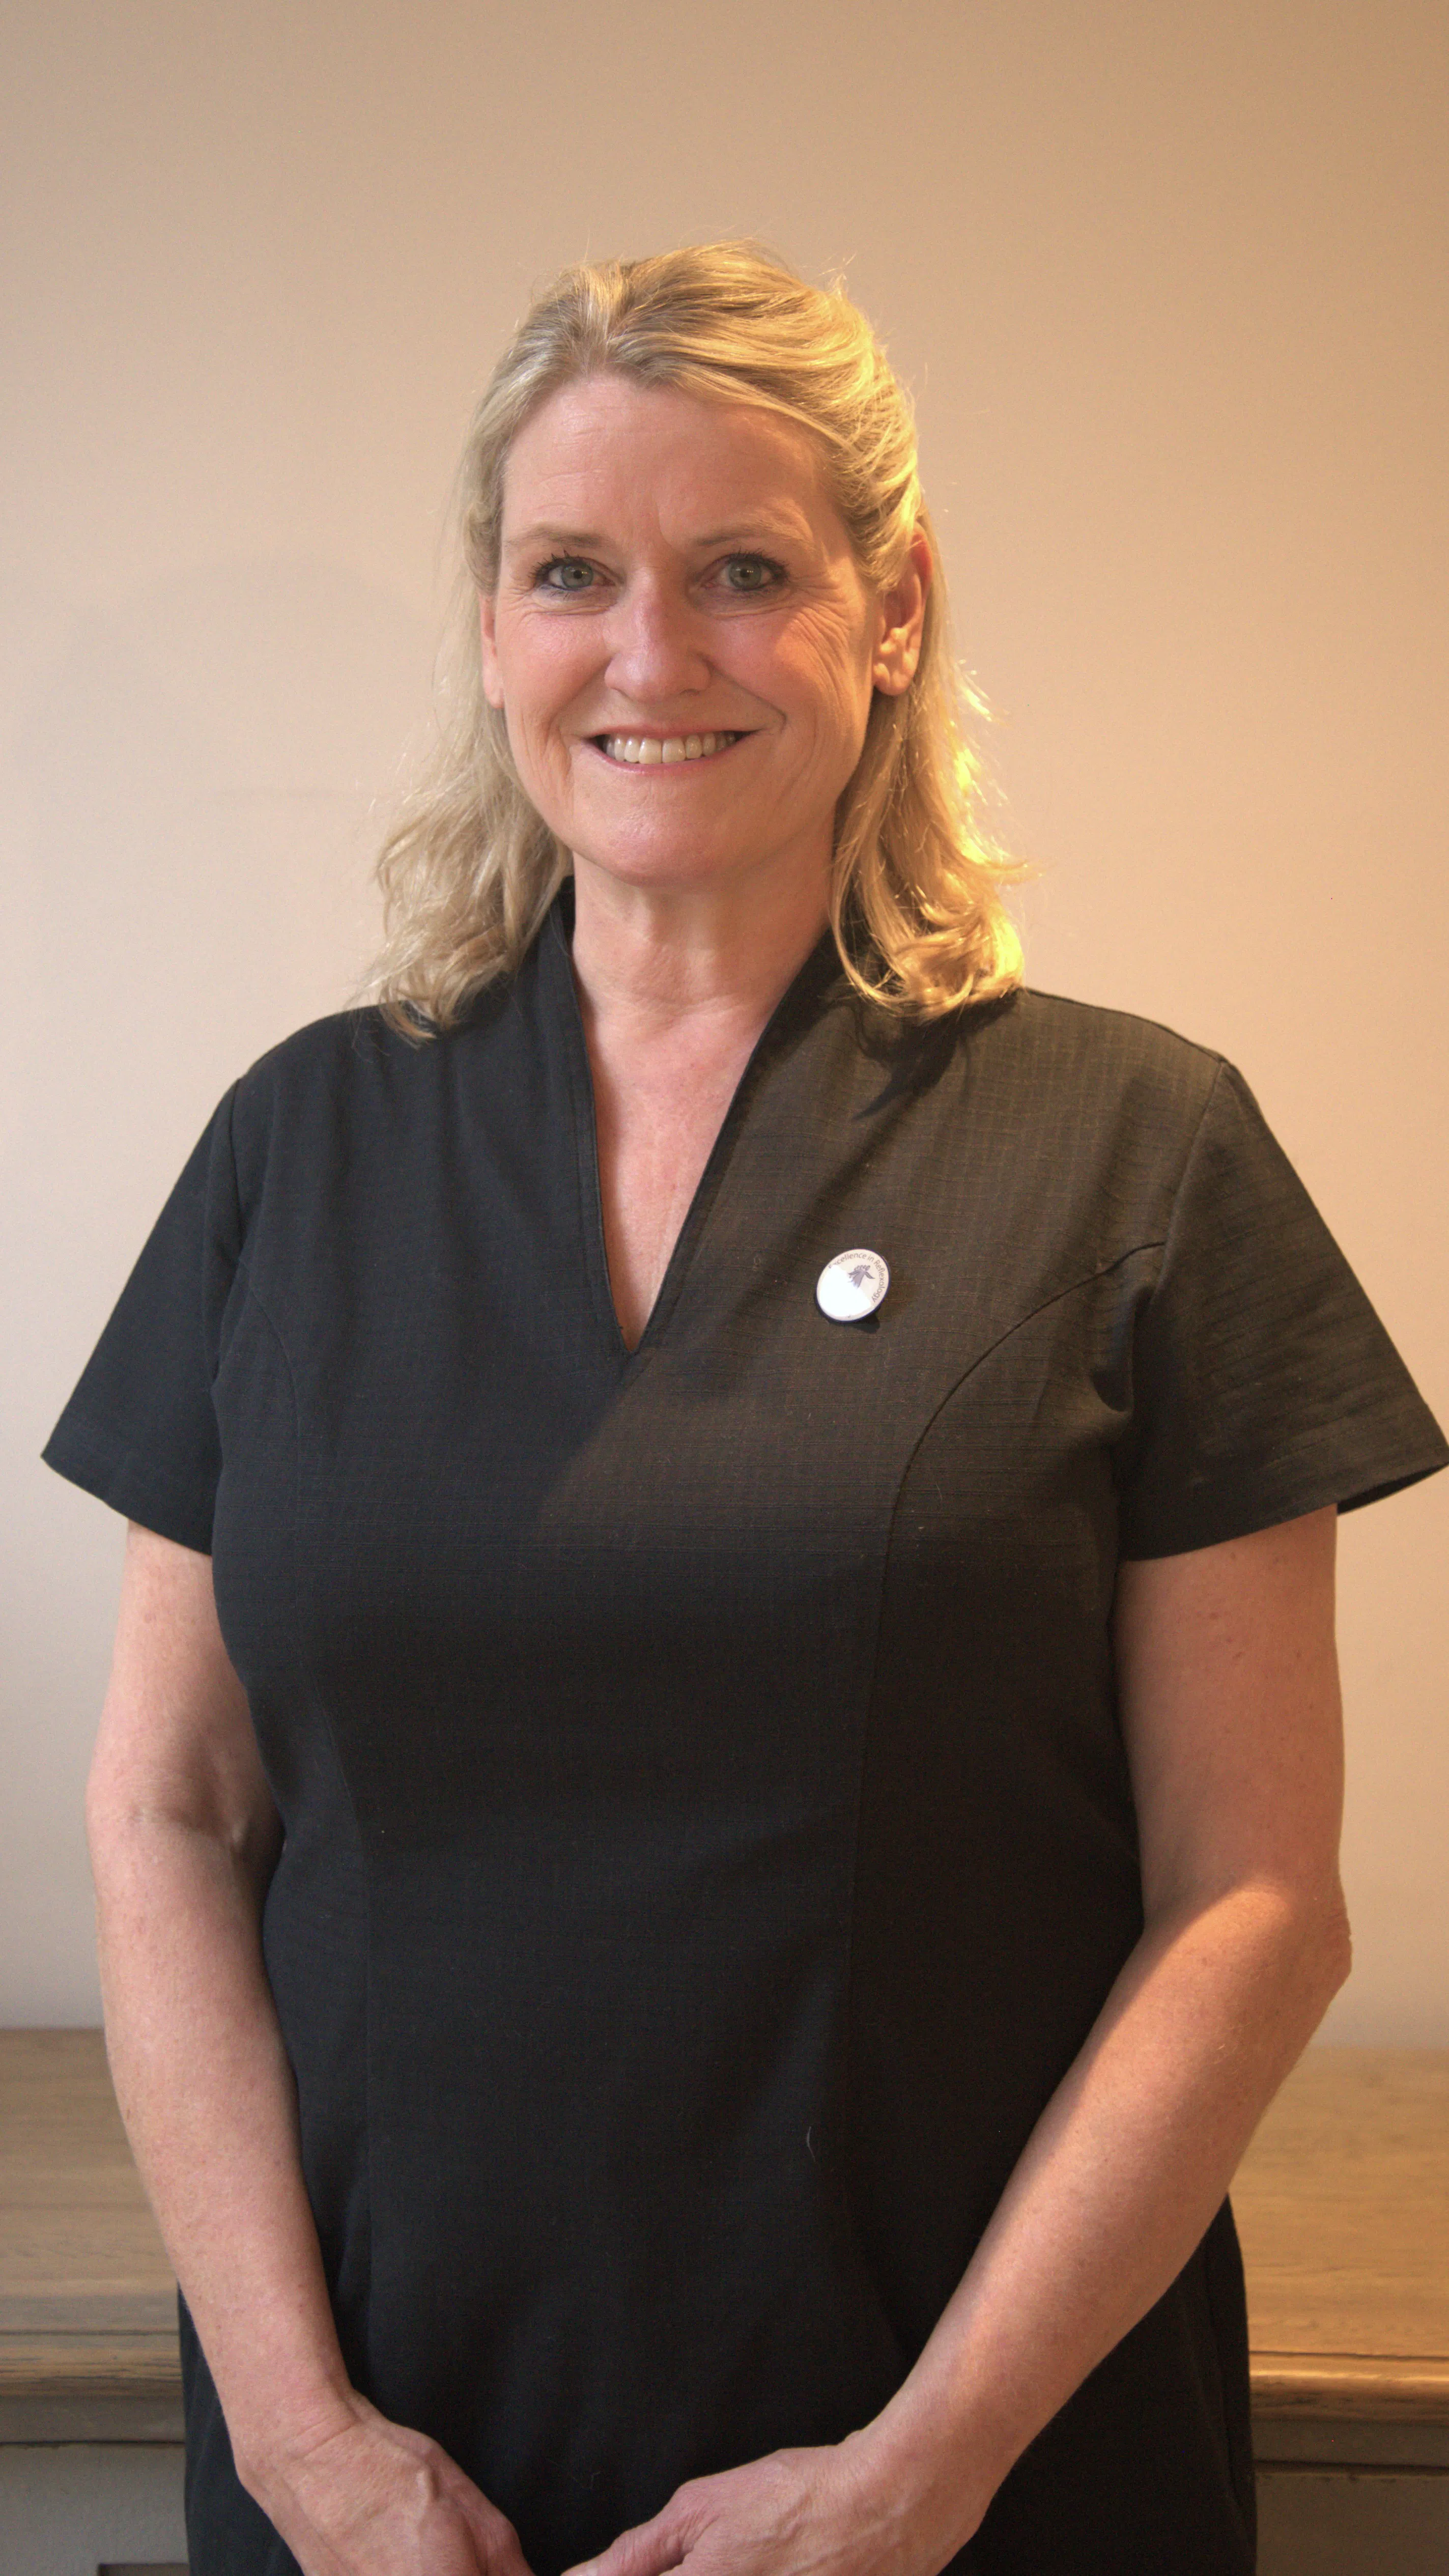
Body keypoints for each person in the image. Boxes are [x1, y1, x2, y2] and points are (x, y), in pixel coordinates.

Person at [45, 243, 1445, 2576]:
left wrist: (923, 2465)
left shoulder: (1134, 1149)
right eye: (571, 572)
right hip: (390, 2464)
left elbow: (1257, 1898)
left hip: (978, 2470)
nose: (649, 654)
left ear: (894, 611)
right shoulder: (300, 1151)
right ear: (492, 624)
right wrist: (300, 2441)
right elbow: (170, 1810)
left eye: (743, 572)